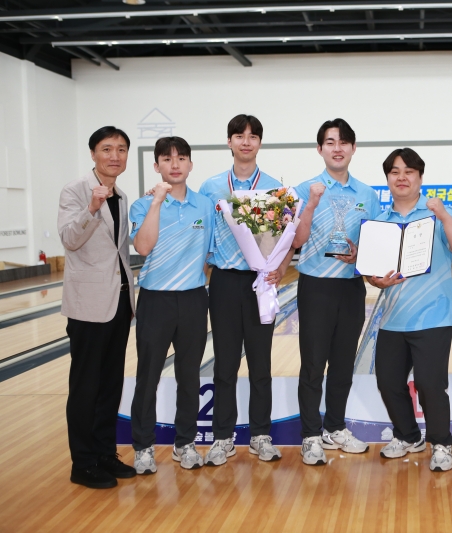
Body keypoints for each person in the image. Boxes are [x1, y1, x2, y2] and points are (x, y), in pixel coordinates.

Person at [370, 148, 452, 472]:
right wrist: (375, 280)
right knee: (388, 383)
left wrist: (443, 215)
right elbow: (372, 272)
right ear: (387, 178)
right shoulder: (380, 222)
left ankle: (441, 443)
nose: (401, 177)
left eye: (409, 171)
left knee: (430, 385)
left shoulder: (436, 215)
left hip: (432, 317)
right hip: (392, 320)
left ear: (420, 177)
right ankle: (408, 435)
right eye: (395, 172)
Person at [198, 114, 293, 465]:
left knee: (260, 363)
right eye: (239, 136)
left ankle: (260, 436)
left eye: (253, 136)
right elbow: (203, 234)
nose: (246, 142)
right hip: (224, 280)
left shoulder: (273, 187)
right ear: (229, 142)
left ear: (259, 143)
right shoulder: (210, 187)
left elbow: (285, 238)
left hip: (260, 282)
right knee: (224, 364)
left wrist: (280, 268)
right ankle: (223, 437)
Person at [292, 118, 380, 465]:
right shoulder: (304, 190)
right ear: (320, 149)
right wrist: (311, 203)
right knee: (314, 364)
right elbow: (296, 241)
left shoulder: (367, 195)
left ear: (353, 148)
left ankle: (335, 427)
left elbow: (374, 244)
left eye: (344, 142)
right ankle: (310, 436)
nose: (337, 148)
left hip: (350, 287)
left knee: (343, 363)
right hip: (316, 286)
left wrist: (361, 255)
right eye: (330, 142)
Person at [128, 137, 215, 474]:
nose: (175, 164)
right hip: (156, 299)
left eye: (181, 158)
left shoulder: (205, 205)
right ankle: (143, 447)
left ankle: (185, 443)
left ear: (191, 164)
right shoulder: (142, 205)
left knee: (189, 376)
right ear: (156, 166)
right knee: (148, 376)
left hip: (193, 299)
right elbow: (143, 247)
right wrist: (157, 202)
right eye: (167, 158)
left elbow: (210, 253)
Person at [58, 126, 137, 489]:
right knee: (86, 386)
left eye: (121, 149)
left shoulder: (121, 195)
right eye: (107, 149)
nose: (114, 156)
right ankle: (83, 462)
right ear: (93, 153)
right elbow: (70, 239)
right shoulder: (75, 191)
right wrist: (91, 207)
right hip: (88, 305)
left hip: (118, 301)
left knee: (109, 384)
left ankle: (105, 453)